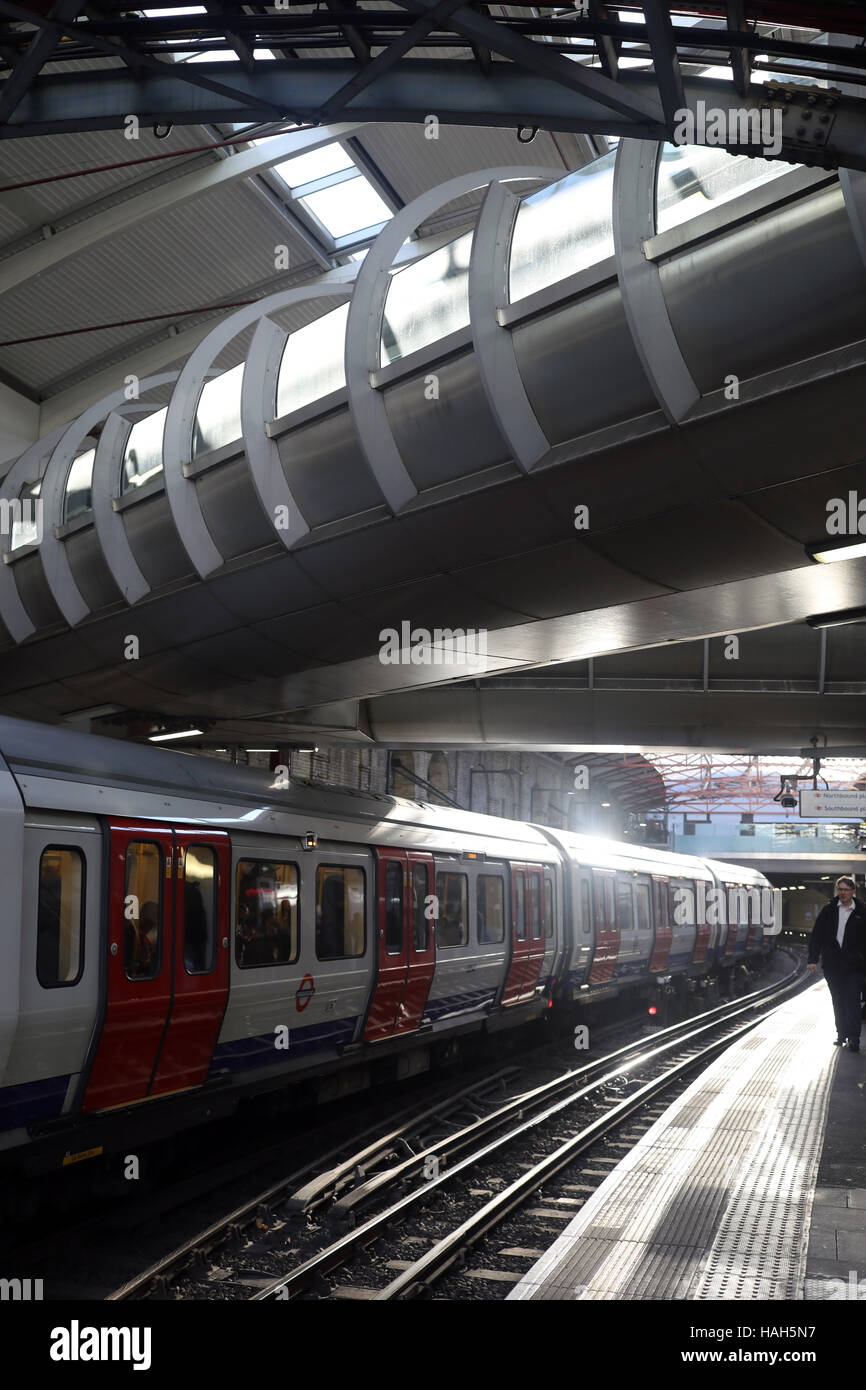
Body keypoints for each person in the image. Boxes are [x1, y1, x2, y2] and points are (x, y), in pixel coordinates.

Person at [808, 876, 866, 1051]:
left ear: (853, 891)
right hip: (833, 966)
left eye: (846, 889)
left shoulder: (862, 912)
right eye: (840, 889)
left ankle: (854, 1038)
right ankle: (841, 1034)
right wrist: (812, 959)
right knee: (838, 1001)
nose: (842, 893)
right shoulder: (829, 910)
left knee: (853, 1001)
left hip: (855, 966)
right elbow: (816, 935)